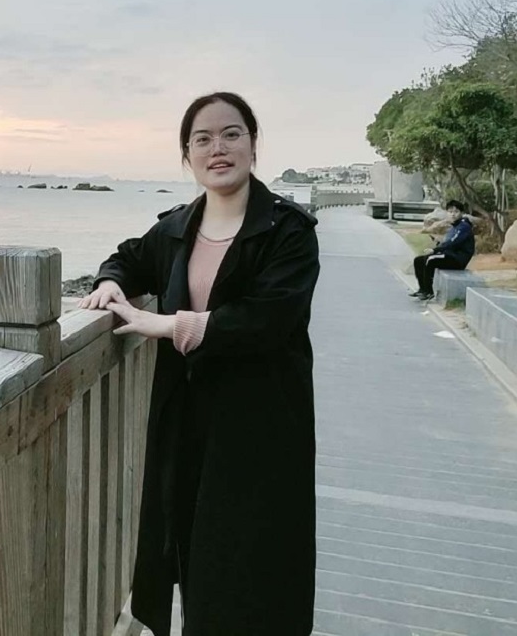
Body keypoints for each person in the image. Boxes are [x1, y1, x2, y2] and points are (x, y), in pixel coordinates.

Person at [80, 92, 320, 636]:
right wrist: (111, 282)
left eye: (232, 134)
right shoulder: (176, 227)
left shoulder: (287, 231)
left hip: (261, 426)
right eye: (203, 139)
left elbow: (269, 319)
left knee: (255, 566)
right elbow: (128, 257)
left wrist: (172, 325)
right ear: (187, 155)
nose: (219, 148)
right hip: (187, 425)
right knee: (194, 557)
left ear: (253, 145)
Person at [411, 199, 475, 301]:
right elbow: (447, 242)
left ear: (462, 213)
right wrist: (438, 243)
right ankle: (422, 289)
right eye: (450, 212)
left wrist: (435, 250)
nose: (453, 214)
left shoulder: (464, 227)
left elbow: (453, 242)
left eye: (456, 212)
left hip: (458, 259)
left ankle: (429, 291)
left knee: (430, 260)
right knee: (418, 260)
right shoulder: (455, 226)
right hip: (449, 255)